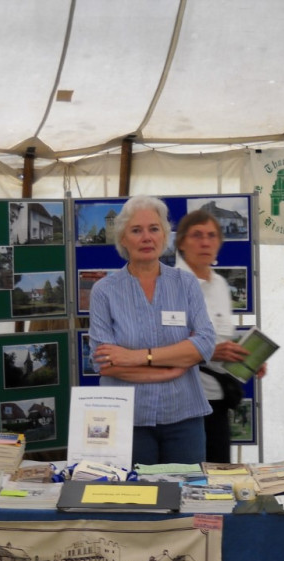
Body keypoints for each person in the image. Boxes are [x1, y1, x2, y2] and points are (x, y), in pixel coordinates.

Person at [87, 196, 215, 466]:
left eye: (154, 229)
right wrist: (173, 366)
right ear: (123, 239)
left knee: (187, 496)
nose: (146, 237)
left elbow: (204, 344)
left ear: (165, 235)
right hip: (126, 419)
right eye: (136, 230)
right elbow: (104, 363)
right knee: (134, 502)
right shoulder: (104, 291)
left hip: (184, 417)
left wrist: (137, 357)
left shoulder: (186, 284)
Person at [174, 209, 264, 463]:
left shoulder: (221, 285)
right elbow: (161, 344)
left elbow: (225, 341)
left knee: (217, 480)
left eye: (212, 235)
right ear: (181, 242)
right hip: (182, 404)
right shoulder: (172, 285)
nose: (205, 242)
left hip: (217, 399)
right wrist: (208, 351)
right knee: (186, 481)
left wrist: (250, 357)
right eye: (197, 235)